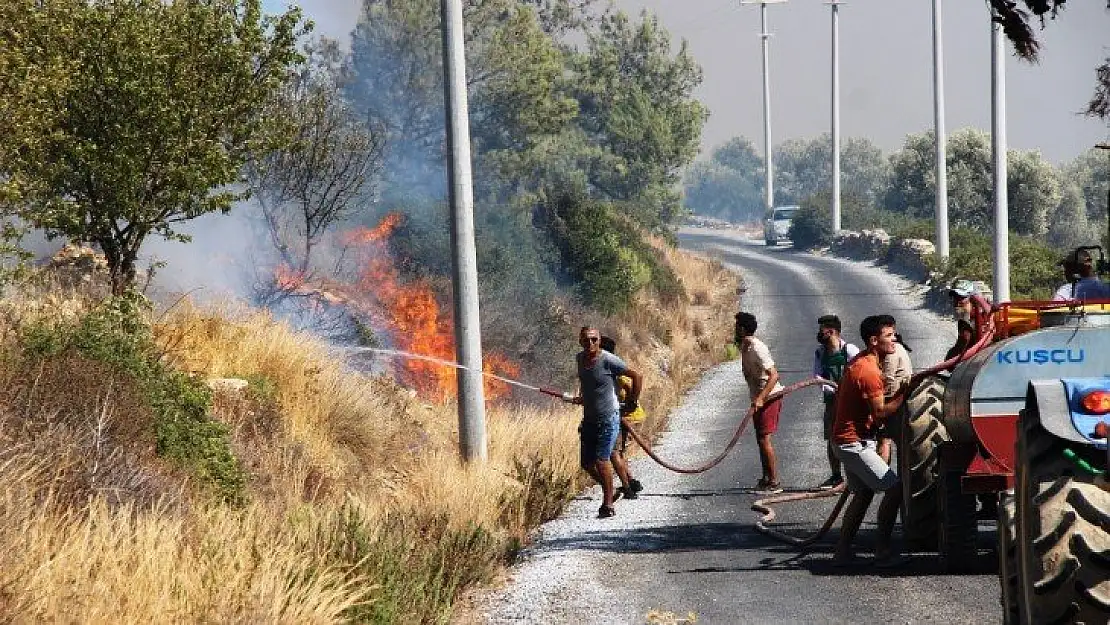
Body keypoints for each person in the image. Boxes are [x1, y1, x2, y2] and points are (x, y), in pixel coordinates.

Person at [831, 314, 909, 567]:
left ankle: (842, 552)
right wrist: (903, 394)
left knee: (863, 493)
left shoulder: (864, 363)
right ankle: (882, 550)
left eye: (894, 334)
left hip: (847, 440)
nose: (894, 339)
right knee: (894, 489)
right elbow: (880, 414)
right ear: (874, 341)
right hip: (852, 442)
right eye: (889, 335)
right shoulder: (867, 371)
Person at [573, 326, 642, 519]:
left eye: (594, 339)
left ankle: (608, 504)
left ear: (600, 341)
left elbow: (636, 376)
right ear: (580, 341)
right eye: (586, 340)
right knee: (586, 463)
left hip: (608, 418)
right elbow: (587, 382)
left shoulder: (608, 360)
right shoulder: (579, 359)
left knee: (603, 460)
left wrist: (631, 402)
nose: (590, 343)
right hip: (589, 419)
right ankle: (612, 489)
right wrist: (582, 397)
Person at [735, 311, 786, 494]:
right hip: (758, 398)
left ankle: (774, 482)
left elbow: (774, 375)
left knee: (765, 439)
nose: (734, 330)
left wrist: (761, 398)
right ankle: (766, 479)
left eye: (736, 326)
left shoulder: (757, 347)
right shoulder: (745, 346)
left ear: (742, 329)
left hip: (769, 397)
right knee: (760, 439)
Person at [812, 314, 860, 490]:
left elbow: (858, 373)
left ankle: (856, 477)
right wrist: (830, 388)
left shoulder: (849, 350)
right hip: (832, 403)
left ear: (831, 331)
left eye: (822, 329)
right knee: (832, 438)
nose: (819, 333)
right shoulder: (820, 352)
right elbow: (817, 376)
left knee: (851, 438)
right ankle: (836, 476)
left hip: (850, 404)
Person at [600, 336, 645, 500]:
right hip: (623, 416)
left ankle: (628, 489)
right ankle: (631, 481)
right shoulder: (608, 368)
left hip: (629, 417)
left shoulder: (615, 370)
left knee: (613, 453)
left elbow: (636, 379)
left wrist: (631, 402)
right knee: (618, 453)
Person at [878, 333, 913, 464]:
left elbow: (888, 380)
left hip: (894, 401)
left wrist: (881, 402)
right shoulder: (900, 348)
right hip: (902, 399)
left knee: (884, 439)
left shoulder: (892, 351)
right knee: (900, 442)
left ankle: (882, 479)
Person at [946, 280, 979, 361]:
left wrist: (949, 359)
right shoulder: (965, 320)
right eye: (955, 298)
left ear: (971, 299)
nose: (956, 303)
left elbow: (960, 350)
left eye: (961, 298)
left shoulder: (970, 324)